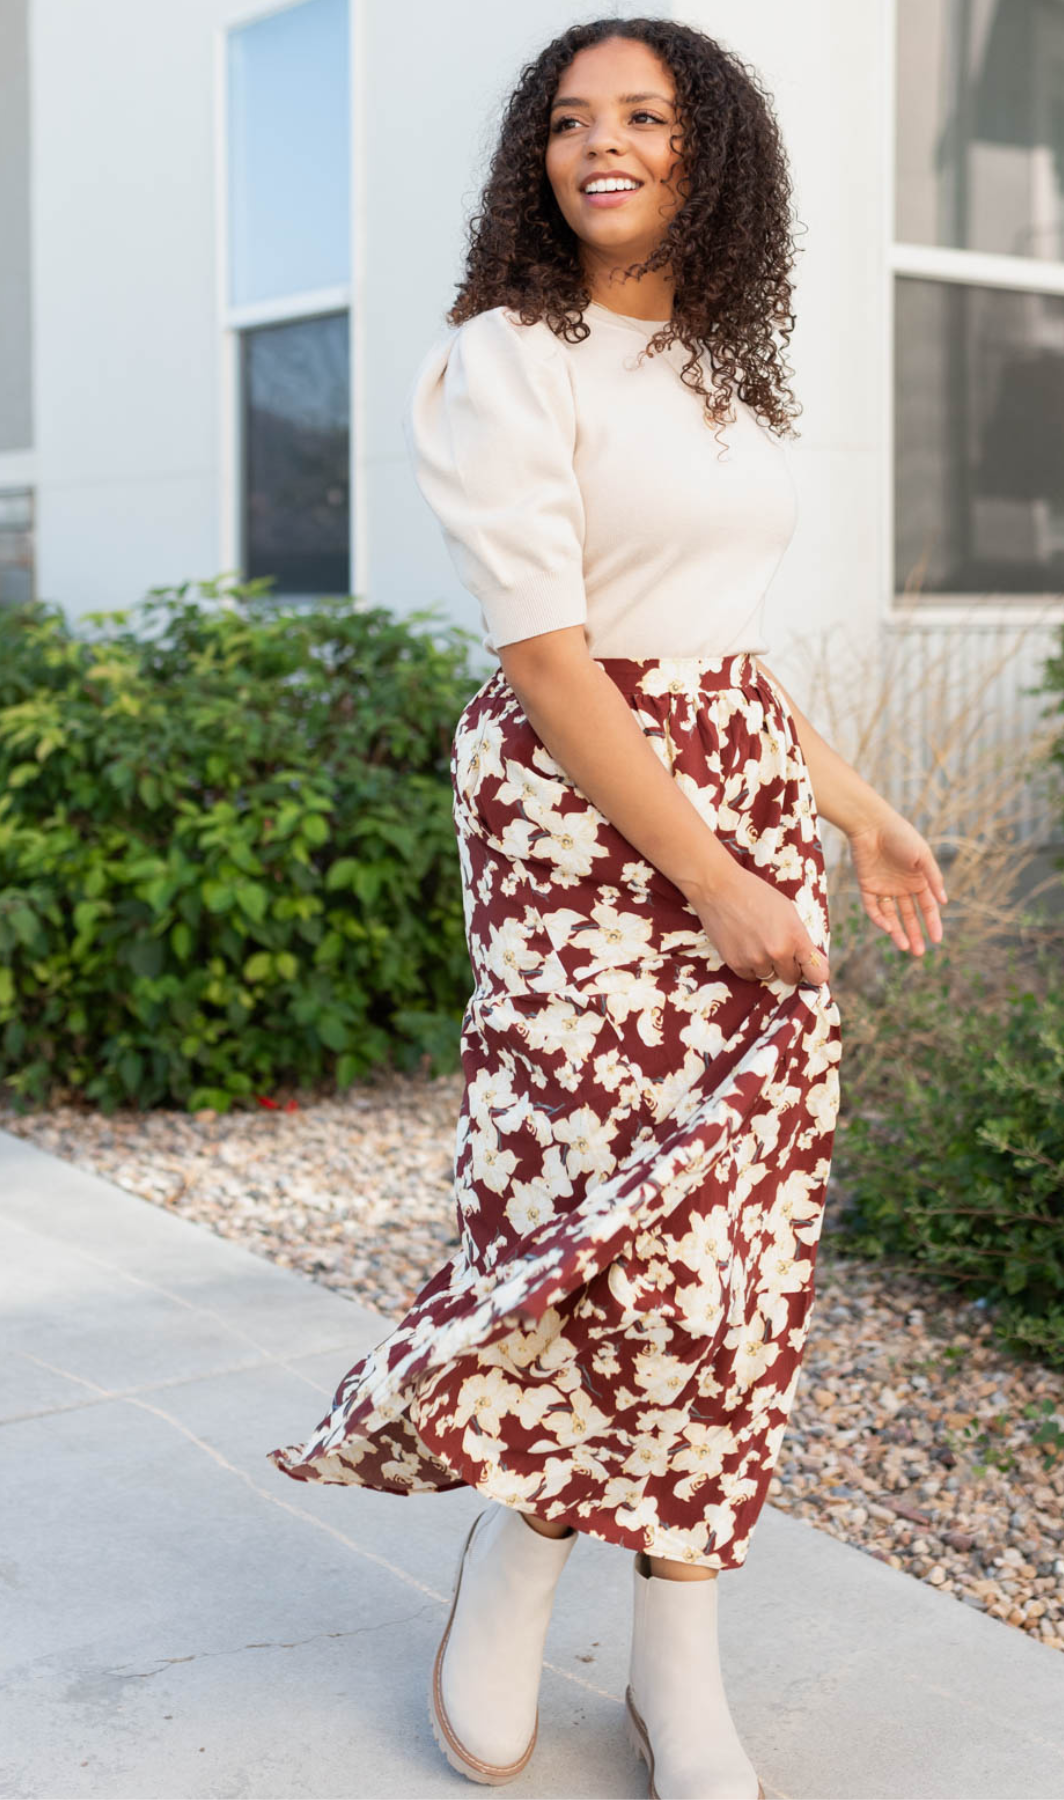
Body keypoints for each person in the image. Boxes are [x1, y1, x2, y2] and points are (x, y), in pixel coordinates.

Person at [268, 18, 947, 1799]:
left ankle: (677, 1658)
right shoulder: (508, 358)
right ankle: (516, 1553)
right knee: (574, 1211)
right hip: (582, 836)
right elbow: (559, 664)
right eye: (572, 121)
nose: (605, 144)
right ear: (536, 159)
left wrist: (851, 806)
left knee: (733, 1257)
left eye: (644, 116)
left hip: (735, 795)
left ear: (706, 149)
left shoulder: (723, 359)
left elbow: (709, 639)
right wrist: (715, 879)